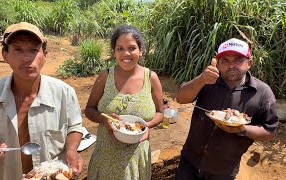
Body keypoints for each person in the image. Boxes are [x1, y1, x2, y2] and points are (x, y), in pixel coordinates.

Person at [0, 22, 84, 180]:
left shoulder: (64, 92)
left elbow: (74, 126)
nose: (27, 58)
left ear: (45, 55)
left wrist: (71, 150)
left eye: (34, 50)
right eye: (18, 49)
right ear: (5, 55)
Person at [175, 38, 279, 179]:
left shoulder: (262, 93)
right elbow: (181, 98)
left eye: (238, 60)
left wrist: (243, 129)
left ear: (249, 63)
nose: (231, 65)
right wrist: (201, 79)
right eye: (225, 60)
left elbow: (269, 131)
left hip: (223, 171)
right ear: (217, 63)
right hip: (189, 162)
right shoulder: (207, 80)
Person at [85, 25, 164, 179]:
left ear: (140, 50)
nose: (126, 53)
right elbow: (89, 109)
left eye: (132, 48)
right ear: (114, 52)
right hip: (106, 155)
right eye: (120, 48)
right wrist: (103, 118)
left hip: (137, 155)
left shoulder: (151, 78)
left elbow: (160, 113)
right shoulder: (105, 77)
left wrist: (146, 126)